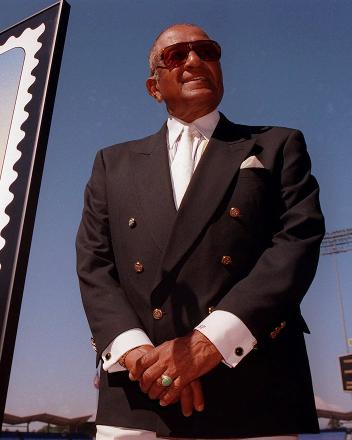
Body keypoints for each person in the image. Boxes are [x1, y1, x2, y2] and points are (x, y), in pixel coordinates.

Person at [76, 24, 324, 439]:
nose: (194, 61)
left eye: (206, 51)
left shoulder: (276, 145)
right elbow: (94, 264)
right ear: (154, 87)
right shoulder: (111, 164)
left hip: (252, 387)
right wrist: (141, 358)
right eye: (176, 56)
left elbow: (295, 244)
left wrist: (207, 345)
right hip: (140, 394)